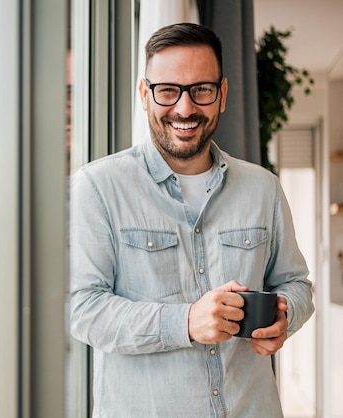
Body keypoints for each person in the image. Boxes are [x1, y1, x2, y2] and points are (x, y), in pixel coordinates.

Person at [69, 22, 314, 418]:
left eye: (201, 90)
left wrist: (286, 313)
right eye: (168, 91)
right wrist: (184, 322)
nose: (185, 108)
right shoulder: (97, 187)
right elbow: (82, 309)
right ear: (144, 94)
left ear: (222, 95)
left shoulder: (263, 187)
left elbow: (296, 283)